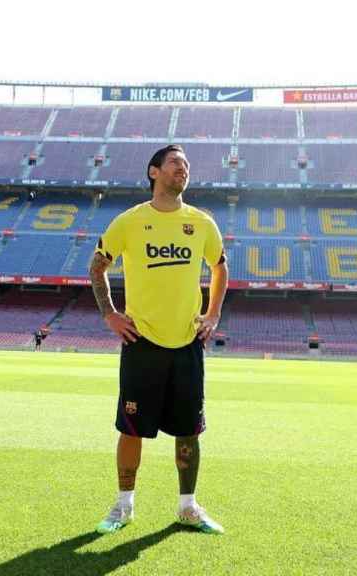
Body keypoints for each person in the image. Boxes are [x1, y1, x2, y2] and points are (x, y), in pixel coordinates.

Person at [89, 144, 228, 535]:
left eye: (186, 165)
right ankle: (123, 505)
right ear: (154, 172)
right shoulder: (130, 222)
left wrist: (213, 313)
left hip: (187, 343)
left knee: (189, 430)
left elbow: (220, 266)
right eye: (174, 163)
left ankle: (187, 507)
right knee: (131, 428)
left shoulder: (201, 223)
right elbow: (98, 266)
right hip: (142, 342)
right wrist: (110, 314)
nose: (182, 169)